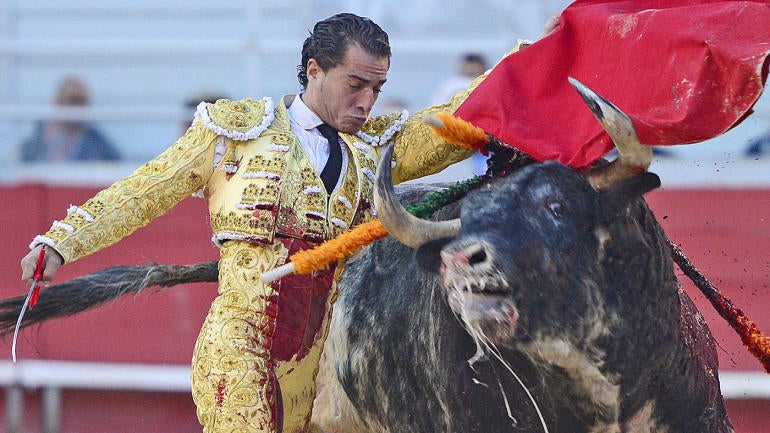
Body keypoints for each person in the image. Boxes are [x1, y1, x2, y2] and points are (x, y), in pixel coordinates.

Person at [20, 12, 559, 433]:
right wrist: (61, 242)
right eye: (355, 85)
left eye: (377, 88)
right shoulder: (236, 131)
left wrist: (535, 54)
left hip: (321, 358)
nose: (367, 102)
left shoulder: (375, 147)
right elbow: (143, 191)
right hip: (240, 346)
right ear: (314, 71)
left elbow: (462, 115)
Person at [20, 76, 121, 162]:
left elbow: (117, 166)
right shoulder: (36, 142)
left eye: (82, 102)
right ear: (59, 102)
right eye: (73, 101)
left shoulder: (96, 143)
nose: (78, 107)